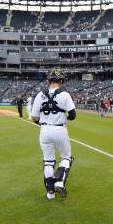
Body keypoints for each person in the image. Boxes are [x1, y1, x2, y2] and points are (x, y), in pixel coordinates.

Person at [30, 68, 76, 200]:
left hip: (44, 130)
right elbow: (72, 115)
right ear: (60, 80)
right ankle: (60, 182)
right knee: (66, 157)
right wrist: (63, 119)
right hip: (60, 129)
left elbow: (34, 117)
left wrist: (44, 123)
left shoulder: (40, 95)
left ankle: (50, 193)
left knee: (48, 161)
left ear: (49, 80)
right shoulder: (65, 94)